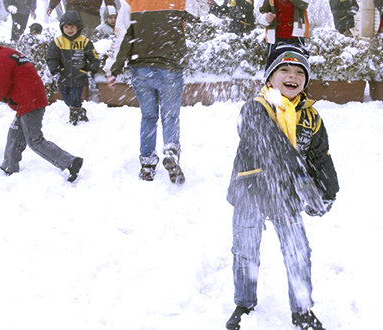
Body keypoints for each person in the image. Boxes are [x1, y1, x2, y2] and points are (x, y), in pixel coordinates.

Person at [225, 45, 339, 330]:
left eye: (300, 72)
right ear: (270, 79)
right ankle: (244, 302)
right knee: (245, 249)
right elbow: (270, 145)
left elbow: (320, 156)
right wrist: (301, 178)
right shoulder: (256, 107)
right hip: (250, 189)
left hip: (285, 194)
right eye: (284, 70)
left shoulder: (310, 117)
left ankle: (302, 310)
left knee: (298, 251)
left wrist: (328, 191)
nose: (293, 76)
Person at [107, 0, 198, 184]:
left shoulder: (134, 3)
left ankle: (147, 163)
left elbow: (125, 37)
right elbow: (198, 15)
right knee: (170, 115)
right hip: (170, 67)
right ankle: (171, 151)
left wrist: (114, 69)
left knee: (148, 117)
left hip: (141, 68)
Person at [0, 40, 84, 182]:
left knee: (34, 140)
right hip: (30, 100)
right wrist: (8, 99)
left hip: (30, 103)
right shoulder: (7, 54)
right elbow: (17, 79)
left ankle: (70, 162)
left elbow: (1, 87)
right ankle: (9, 167)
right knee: (15, 134)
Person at [47, 11, 101, 126]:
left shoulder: (84, 42)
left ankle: (74, 120)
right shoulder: (57, 42)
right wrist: (55, 70)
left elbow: (94, 57)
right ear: (62, 27)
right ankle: (80, 111)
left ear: (78, 27)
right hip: (64, 76)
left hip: (79, 76)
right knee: (66, 99)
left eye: (72, 26)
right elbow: (52, 58)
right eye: (66, 26)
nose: (69, 29)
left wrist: (92, 69)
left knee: (75, 99)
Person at [46, 0, 118, 37]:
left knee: (74, 38)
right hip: (88, 10)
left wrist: (52, 5)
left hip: (84, 10)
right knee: (90, 39)